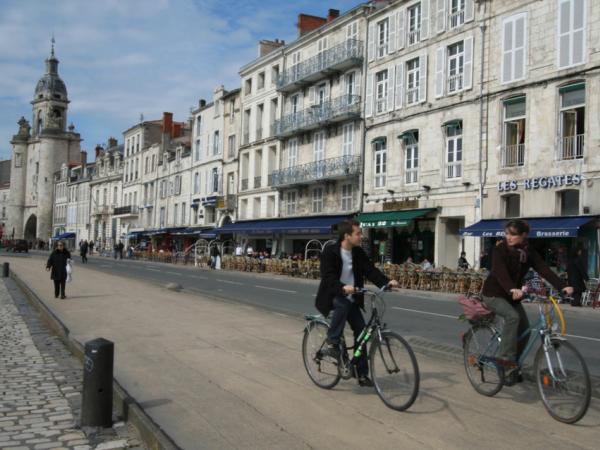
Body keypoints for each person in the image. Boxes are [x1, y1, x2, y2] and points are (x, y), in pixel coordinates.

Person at [481, 219, 573, 378]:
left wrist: (562, 286)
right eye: (507, 233)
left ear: (524, 235)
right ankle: (506, 361)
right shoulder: (500, 249)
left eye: (513, 234)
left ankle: (514, 365)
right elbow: (499, 271)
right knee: (513, 317)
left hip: (512, 296)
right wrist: (512, 288)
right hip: (493, 294)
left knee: (526, 330)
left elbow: (543, 269)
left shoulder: (528, 252)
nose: (508, 237)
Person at [315, 220, 399, 387]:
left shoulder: (358, 252)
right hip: (333, 295)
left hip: (353, 297)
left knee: (361, 332)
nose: (361, 236)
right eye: (358, 233)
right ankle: (332, 341)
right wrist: (342, 287)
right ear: (347, 236)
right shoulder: (330, 252)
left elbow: (370, 270)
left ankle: (362, 374)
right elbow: (328, 277)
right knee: (342, 304)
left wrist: (386, 283)